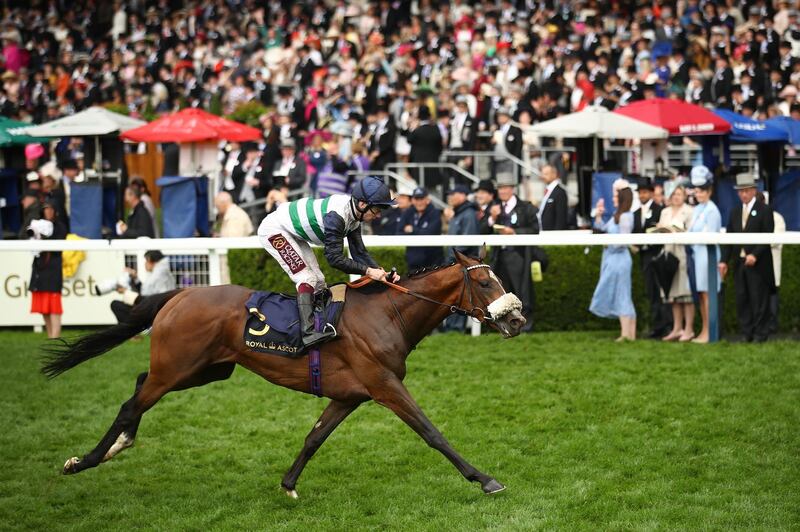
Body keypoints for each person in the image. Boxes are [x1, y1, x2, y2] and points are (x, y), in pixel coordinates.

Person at [257, 176, 398, 347]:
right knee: (307, 278)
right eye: (376, 210)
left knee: (319, 281)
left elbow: (359, 253)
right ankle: (308, 333)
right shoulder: (337, 217)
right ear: (362, 204)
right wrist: (369, 272)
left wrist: (382, 274)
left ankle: (321, 325)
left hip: (292, 231)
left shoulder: (354, 215)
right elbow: (334, 259)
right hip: (275, 230)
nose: (378, 215)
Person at [719, 173, 775, 343]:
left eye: (747, 190)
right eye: (741, 191)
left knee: (759, 300)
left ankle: (760, 334)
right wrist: (724, 260)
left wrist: (754, 255)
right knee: (742, 298)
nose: (744, 194)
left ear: (753, 191)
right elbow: (729, 238)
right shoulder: (735, 212)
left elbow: (768, 236)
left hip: (758, 264)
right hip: (739, 262)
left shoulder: (765, 210)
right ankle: (747, 333)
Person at [483, 173, 539, 331]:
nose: (502, 191)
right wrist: (491, 219)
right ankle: (506, 326)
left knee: (522, 292)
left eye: (505, 188)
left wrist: (514, 232)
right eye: (500, 188)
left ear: (512, 189)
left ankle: (526, 326)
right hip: (498, 256)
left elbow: (535, 230)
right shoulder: (493, 207)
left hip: (518, 255)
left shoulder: (526, 208)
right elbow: (481, 230)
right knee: (501, 294)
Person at [589, 187, 636, 341]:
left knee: (622, 294)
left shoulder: (625, 217)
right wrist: (598, 216)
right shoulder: (617, 215)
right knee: (622, 294)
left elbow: (623, 241)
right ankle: (630, 334)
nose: (613, 198)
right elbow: (603, 230)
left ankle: (626, 334)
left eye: (616, 196)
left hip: (619, 259)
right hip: (612, 259)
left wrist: (608, 243)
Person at [632, 176, 671, 339]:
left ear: (650, 193)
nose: (642, 195)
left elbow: (661, 231)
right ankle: (657, 325)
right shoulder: (635, 213)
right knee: (651, 291)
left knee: (661, 290)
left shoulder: (659, 210)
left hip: (657, 254)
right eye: (640, 192)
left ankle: (665, 325)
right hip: (644, 256)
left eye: (645, 192)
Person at [687, 168, 722, 344]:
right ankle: (705, 330)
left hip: (707, 257)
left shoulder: (712, 210)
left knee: (708, 295)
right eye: (697, 190)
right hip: (696, 255)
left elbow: (711, 235)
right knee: (701, 295)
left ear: (709, 191)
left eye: (701, 190)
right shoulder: (698, 209)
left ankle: (711, 331)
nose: (698, 193)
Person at [658, 182, 695, 342]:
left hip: (683, 254)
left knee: (685, 294)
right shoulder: (665, 212)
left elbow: (693, 230)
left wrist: (678, 230)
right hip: (668, 253)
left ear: (684, 196)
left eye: (679, 194)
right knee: (672, 294)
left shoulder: (690, 211)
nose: (676, 197)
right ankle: (677, 328)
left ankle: (689, 329)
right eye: (673, 194)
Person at [442, 184, 479, 332]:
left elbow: (466, 242)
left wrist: (452, 257)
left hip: (460, 263)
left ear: (463, 195)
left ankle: (456, 328)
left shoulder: (468, 214)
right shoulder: (459, 213)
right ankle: (452, 327)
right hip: (455, 262)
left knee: (459, 297)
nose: (450, 197)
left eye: (454, 194)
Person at [28, 200, 67, 338]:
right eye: (46, 209)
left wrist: (43, 236)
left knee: (54, 306)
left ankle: (56, 336)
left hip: (53, 269)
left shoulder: (60, 227)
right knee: (43, 308)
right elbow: (25, 235)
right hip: (40, 269)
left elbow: (59, 241)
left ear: (55, 211)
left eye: (51, 209)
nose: (48, 212)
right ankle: (51, 336)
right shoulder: (36, 225)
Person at [110, 250, 176, 324]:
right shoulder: (160, 272)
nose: (145, 264)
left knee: (116, 305)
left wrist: (126, 292)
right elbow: (147, 294)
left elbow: (153, 300)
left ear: (149, 260)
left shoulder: (159, 275)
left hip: (155, 313)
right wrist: (136, 279)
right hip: (154, 309)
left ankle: (134, 330)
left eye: (145, 261)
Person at [399, 186, 444, 270]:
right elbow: (398, 232)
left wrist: (412, 230)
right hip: (413, 261)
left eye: (421, 199)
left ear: (427, 199)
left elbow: (430, 233)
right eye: (416, 199)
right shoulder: (408, 212)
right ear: (412, 200)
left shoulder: (435, 213)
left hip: (433, 262)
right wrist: (420, 231)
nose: (419, 202)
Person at [407, 106, 443, 191]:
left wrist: (412, 128)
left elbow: (409, 139)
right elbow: (440, 146)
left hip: (419, 166)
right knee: (432, 191)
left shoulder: (417, 130)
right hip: (433, 165)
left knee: (421, 190)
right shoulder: (436, 129)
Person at [538, 164, 568, 231]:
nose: (543, 176)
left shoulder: (560, 192)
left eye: (546, 174)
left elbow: (561, 219)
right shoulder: (548, 190)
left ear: (554, 174)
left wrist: (556, 236)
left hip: (553, 236)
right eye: (542, 174)